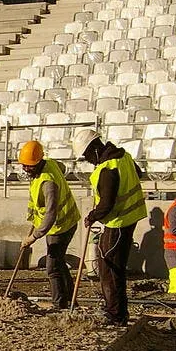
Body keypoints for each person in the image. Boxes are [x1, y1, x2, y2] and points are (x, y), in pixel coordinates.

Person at [73, 127, 146, 326]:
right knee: (113, 266)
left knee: (110, 268)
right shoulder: (124, 156)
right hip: (129, 218)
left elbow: (107, 204)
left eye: (87, 155)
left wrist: (92, 216)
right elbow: (138, 174)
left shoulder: (107, 169)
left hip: (119, 222)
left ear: (94, 148)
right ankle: (115, 309)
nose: (87, 159)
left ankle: (116, 314)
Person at [17, 140, 80, 308]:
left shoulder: (48, 182)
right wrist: (33, 222)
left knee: (52, 267)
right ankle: (70, 300)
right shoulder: (49, 164)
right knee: (58, 262)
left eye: (29, 166)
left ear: (39, 162)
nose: (26, 169)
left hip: (60, 226)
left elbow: (51, 214)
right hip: (59, 223)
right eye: (24, 165)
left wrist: (34, 237)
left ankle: (60, 304)